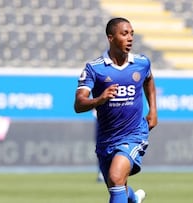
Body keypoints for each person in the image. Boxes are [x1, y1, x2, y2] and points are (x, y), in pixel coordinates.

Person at [74, 17, 158, 203]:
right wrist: (99, 99)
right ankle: (134, 198)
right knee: (117, 186)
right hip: (107, 140)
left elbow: (149, 80)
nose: (130, 38)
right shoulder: (94, 69)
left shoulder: (141, 63)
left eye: (132, 34)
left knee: (115, 177)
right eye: (124, 33)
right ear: (110, 38)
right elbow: (79, 104)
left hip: (134, 134)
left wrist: (153, 110)